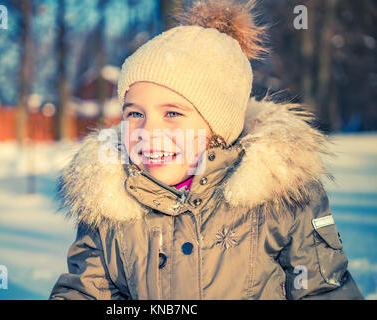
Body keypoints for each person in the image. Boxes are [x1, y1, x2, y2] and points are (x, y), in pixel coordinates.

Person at [49, 0, 363, 299]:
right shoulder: (110, 205)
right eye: (134, 113)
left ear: (217, 126)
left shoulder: (280, 200)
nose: (148, 131)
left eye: (172, 113)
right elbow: (86, 290)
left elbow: (323, 290)